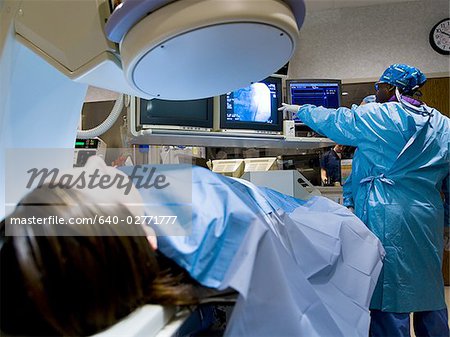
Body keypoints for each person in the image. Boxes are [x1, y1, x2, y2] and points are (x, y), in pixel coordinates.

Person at [1, 156, 385, 337]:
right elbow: (291, 316)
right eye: (87, 181)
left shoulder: (126, 210)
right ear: (145, 239)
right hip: (291, 219)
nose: (94, 165)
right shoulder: (210, 223)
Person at [279, 63, 450, 337]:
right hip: (428, 215)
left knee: (389, 291)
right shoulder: (443, 124)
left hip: (388, 214)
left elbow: (337, 121)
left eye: (380, 87)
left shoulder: (381, 116)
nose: (377, 91)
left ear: (392, 88)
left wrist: (303, 110)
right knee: (428, 287)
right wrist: (447, 221)